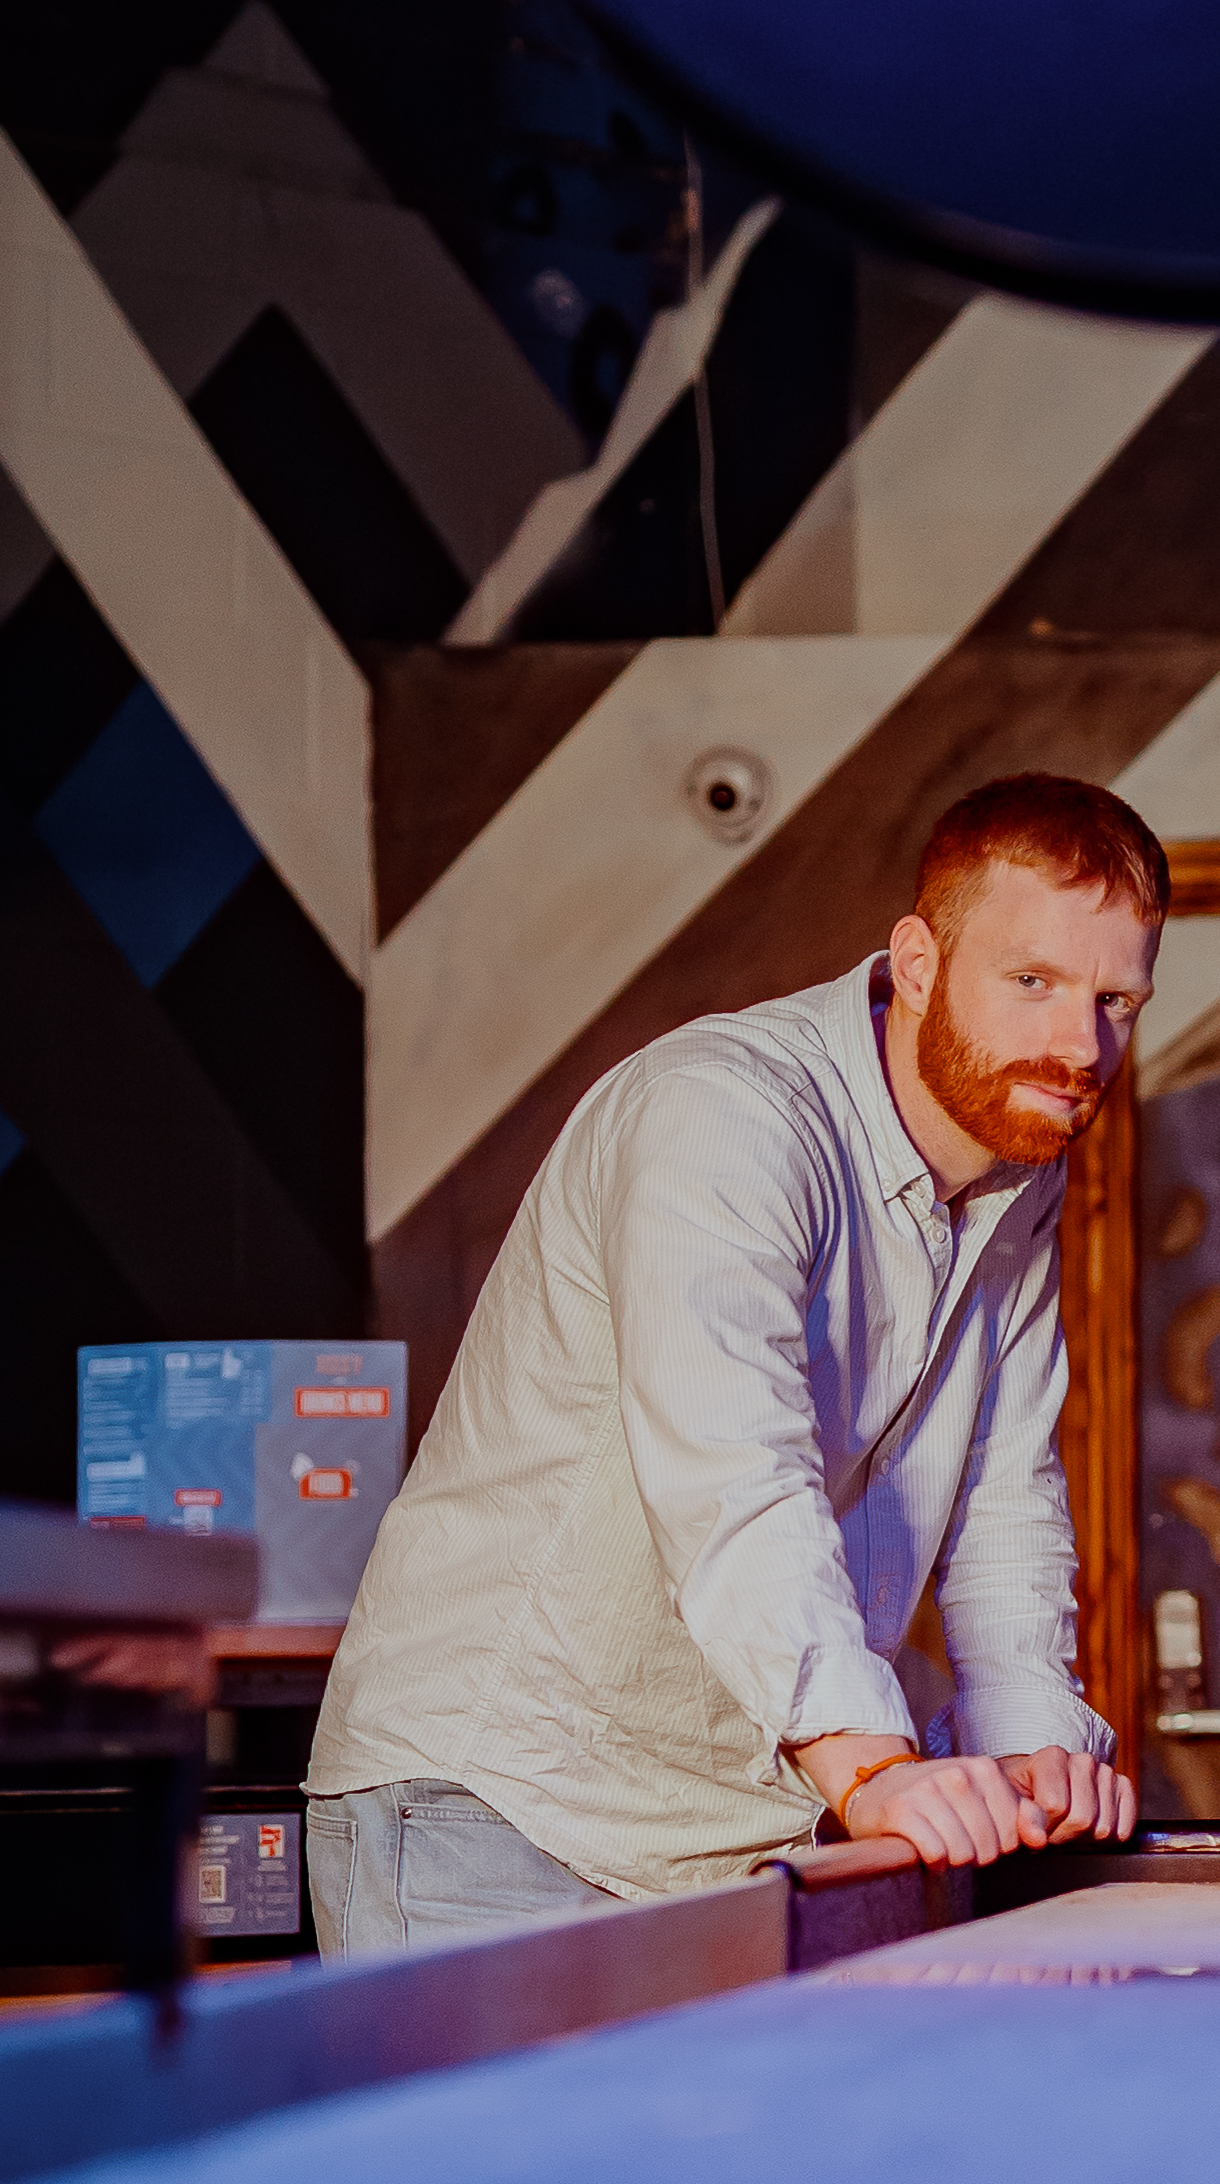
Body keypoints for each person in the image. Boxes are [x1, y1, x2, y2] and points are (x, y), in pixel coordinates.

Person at [305, 775, 1167, 1949]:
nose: (1080, 1045)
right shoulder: (724, 1115)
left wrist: (1032, 1749)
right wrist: (873, 1767)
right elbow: (734, 1473)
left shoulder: (1020, 1173)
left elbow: (1003, 1490)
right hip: (495, 1805)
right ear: (918, 961)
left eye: (1117, 997)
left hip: (728, 1844)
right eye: (1033, 981)